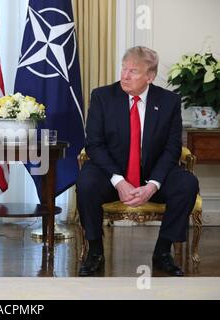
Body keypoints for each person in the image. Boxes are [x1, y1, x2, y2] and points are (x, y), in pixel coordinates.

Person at [76, 46, 199, 277]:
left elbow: (172, 149)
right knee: (86, 181)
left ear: (149, 77)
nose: (124, 75)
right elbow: (94, 144)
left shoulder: (169, 101)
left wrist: (152, 185)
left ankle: (162, 252)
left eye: (133, 71)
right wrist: (119, 181)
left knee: (187, 183)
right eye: (123, 69)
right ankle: (95, 251)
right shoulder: (102, 96)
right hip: (111, 174)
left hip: (151, 174)